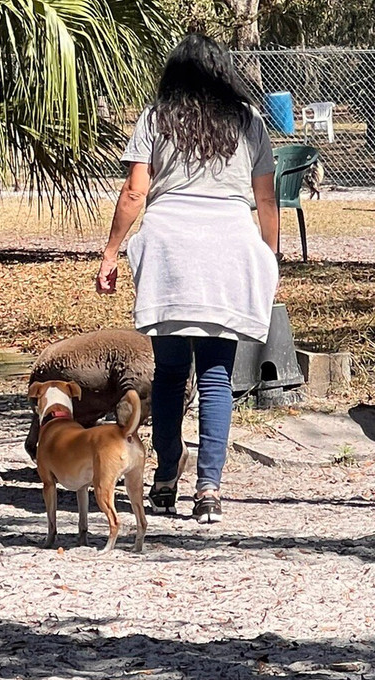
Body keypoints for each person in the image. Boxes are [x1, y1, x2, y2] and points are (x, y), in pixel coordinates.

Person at [95, 34, 280, 524]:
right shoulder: (250, 122)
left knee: (172, 374)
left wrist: (111, 251)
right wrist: (270, 259)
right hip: (229, 251)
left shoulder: (156, 117)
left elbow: (135, 193)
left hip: (170, 254)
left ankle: (164, 480)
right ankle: (210, 489)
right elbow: (266, 201)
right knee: (217, 375)